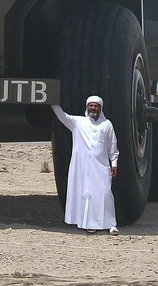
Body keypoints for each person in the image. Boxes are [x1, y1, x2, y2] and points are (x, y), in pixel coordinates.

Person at [52, 96, 120, 236]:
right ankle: (90, 224)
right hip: (82, 167)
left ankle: (111, 225)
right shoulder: (78, 122)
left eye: (95, 106)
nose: (93, 108)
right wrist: (51, 101)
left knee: (105, 195)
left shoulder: (107, 124)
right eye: (91, 106)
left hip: (101, 166)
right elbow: (62, 115)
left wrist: (114, 163)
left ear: (100, 108)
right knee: (86, 194)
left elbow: (112, 146)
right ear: (87, 107)